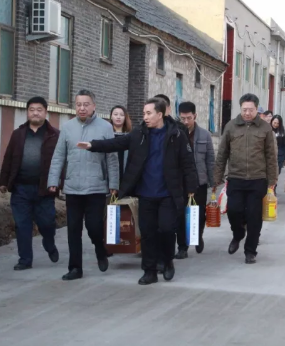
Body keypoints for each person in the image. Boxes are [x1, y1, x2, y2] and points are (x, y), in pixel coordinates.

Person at [81, 98, 198, 285]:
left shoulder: (177, 134)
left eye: (149, 113)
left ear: (160, 114)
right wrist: (93, 145)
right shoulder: (139, 133)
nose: (145, 117)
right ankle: (149, 271)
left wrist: (191, 187)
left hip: (168, 193)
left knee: (167, 229)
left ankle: (167, 261)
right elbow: (118, 143)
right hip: (146, 193)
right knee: (147, 233)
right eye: (144, 113)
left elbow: (188, 163)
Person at [47, 90, 119, 281]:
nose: (82, 108)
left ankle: (100, 249)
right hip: (73, 187)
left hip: (96, 187)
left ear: (94, 106)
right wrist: (53, 181)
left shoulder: (105, 127)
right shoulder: (67, 127)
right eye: (78, 104)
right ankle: (75, 268)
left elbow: (112, 158)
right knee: (73, 229)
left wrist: (114, 183)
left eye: (86, 104)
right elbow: (58, 156)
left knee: (94, 227)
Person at [214, 93, 278, 264]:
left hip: (258, 179)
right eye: (244, 110)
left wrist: (272, 180)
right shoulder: (231, 126)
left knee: (254, 217)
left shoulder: (265, 128)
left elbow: (271, 156)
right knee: (234, 211)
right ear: (240, 108)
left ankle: (250, 251)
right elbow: (222, 153)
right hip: (236, 177)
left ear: (257, 110)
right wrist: (217, 177)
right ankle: (238, 234)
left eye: (250, 110)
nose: (247, 113)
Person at [0, 97, 60, 271]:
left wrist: (58, 182)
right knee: (22, 224)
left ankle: (49, 243)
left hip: (45, 188)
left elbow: (62, 161)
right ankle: (25, 259)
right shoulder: (18, 134)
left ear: (45, 112)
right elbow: (8, 158)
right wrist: (3, 181)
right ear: (27, 112)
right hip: (20, 188)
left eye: (39, 110)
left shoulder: (55, 135)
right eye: (32, 110)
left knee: (47, 223)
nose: (35, 113)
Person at [175, 101, 215, 258]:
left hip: (199, 181)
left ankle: (197, 235)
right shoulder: (176, 133)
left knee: (199, 213)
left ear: (195, 116)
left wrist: (213, 181)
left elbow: (210, 159)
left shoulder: (204, 135)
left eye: (189, 118)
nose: (186, 122)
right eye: (183, 118)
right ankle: (182, 247)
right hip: (180, 181)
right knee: (180, 214)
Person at [110, 105, 132, 183]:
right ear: (111, 116)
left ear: (125, 117)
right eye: (115, 114)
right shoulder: (107, 135)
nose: (118, 117)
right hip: (110, 175)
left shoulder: (130, 136)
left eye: (121, 115)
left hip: (125, 175)